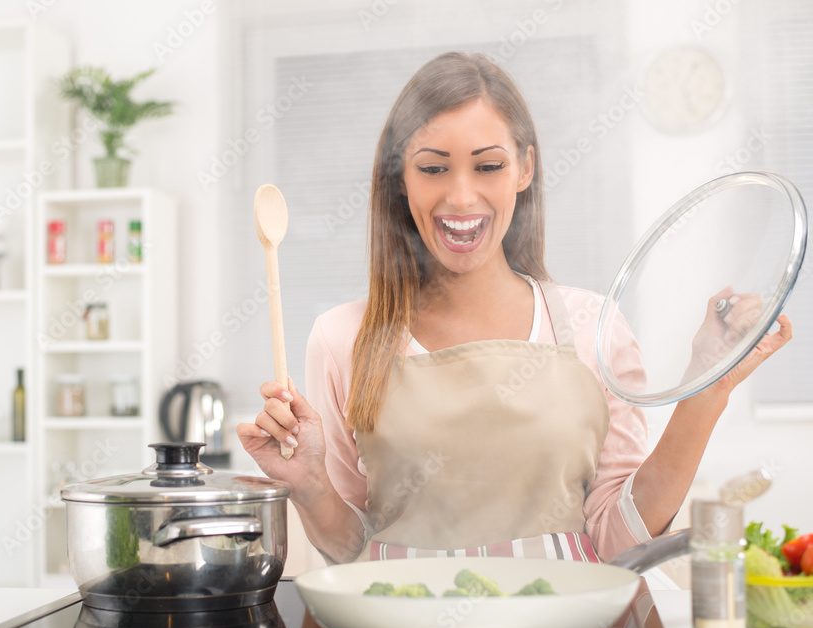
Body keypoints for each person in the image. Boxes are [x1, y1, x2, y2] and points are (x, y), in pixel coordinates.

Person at [237, 52, 792, 565]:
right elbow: (351, 552)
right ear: (400, 179)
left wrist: (707, 387)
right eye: (432, 168)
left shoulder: (592, 327)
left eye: (487, 166)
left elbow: (615, 540)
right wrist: (309, 484)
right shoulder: (341, 338)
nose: (460, 197)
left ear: (524, 168)